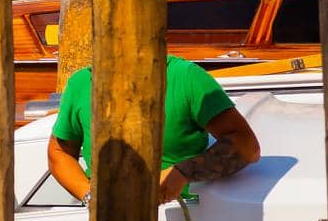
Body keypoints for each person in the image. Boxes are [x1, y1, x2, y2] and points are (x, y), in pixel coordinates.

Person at [48, 53, 261, 206]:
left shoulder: (186, 77)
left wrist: (183, 172)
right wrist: (91, 197)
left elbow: (247, 145)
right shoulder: (81, 83)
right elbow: (59, 152)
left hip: (178, 213)